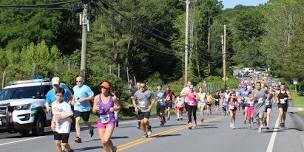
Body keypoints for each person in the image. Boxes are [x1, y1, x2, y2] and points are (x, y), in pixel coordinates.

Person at [92, 81, 120, 152]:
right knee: (104, 141)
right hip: (100, 120)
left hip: (110, 120)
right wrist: (95, 109)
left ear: (108, 89)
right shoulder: (97, 98)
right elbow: (93, 110)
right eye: (102, 87)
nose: (103, 88)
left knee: (105, 140)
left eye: (105, 87)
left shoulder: (112, 97)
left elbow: (119, 107)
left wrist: (113, 108)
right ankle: (113, 148)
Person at [72, 76, 95, 143]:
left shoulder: (86, 88)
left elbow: (92, 96)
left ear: (82, 81)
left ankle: (91, 127)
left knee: (85, 121)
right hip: (77, 107)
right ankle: (78, 137)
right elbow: (74, 95)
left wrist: (84, 99)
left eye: (79, 81)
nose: (78, 83)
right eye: (77, 81)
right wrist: (73, 100)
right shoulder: (74, 88)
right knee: (77, 120)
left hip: (85, 108)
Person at [51, 87, 74, 152]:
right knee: (57, 143)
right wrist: (52, 123)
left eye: (60, 96)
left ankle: (70, 150)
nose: (59, 97)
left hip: (65, 125)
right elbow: (54, 115)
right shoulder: (53, 104)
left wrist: (62, 117)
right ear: (55, 95)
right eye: (57, 95)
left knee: (64, 144)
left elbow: (71, 114)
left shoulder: (66, 105)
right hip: (57, 125)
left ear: (63, 96)